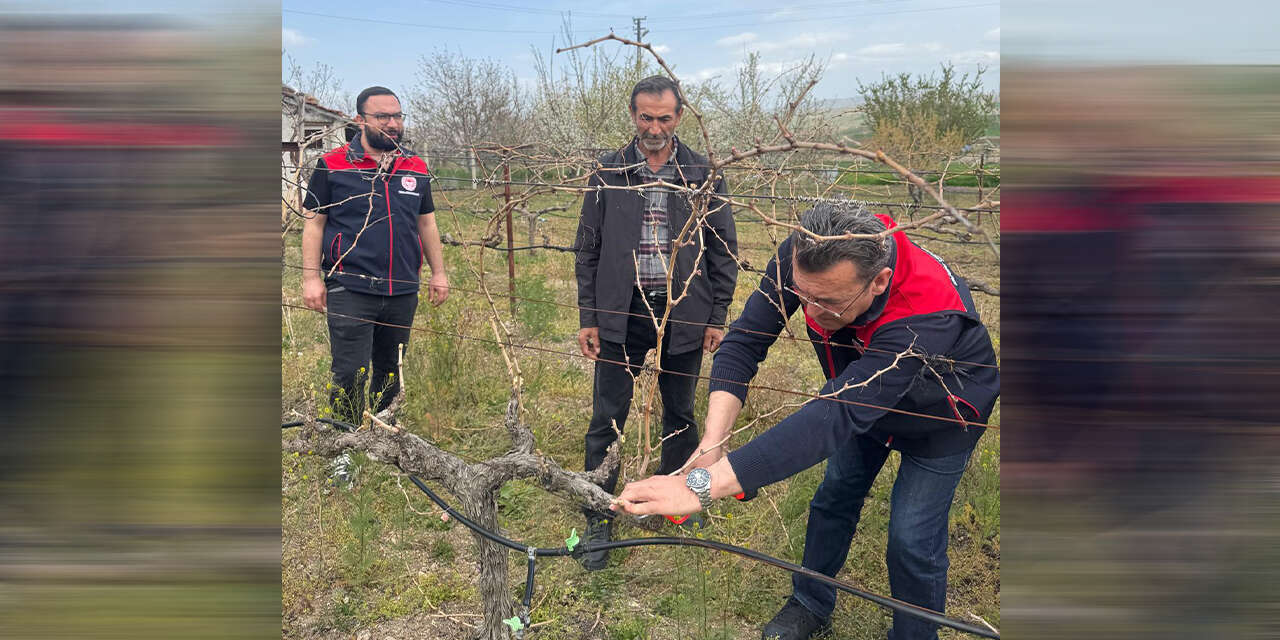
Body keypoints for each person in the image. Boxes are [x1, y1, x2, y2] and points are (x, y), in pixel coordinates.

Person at [615, 203, 999, 639]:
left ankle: (915, 634)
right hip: (858, 397)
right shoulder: (807, 253)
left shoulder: (927, 311)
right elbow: (743, 343)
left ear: (879, 282)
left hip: (944, 417)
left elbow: (837, 413)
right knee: (834, 497)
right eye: (803, 296)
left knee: (912, 538)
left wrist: (699, 487)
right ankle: (810, 603)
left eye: (829, 302)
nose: (812, 316)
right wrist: (712, 443)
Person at [573, 75, 738, 570]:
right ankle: (599, 512)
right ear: (633, 116)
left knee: (681, 414)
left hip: (682, 310)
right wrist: (590, 315)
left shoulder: (702, 173)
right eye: (646, 117)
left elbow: (723, 248)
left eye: (664, 118)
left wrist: (717, 313)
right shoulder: (609, 170)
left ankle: (679, 506)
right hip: (621, 312)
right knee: (608, 415)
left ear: (679, 117)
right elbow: (588, 247)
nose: (655, 127)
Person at [301, 86, 449, 434]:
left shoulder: (415, 166)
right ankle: (345, 447)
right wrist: (311, 279)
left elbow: (426, 222)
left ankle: (384, 437)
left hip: (402, 288)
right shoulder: (332, 165)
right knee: (351, 371)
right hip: (350, 286)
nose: (393, 123)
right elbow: (314, 224)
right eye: (382, 116)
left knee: (390, 369)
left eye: (397, 116)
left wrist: (438, 272)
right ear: (360, 120)